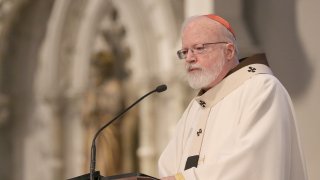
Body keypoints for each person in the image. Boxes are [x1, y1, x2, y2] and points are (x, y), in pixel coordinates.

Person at [158, 14, 308, 180]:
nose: (190, 58)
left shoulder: (261, 89)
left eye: (199, 48)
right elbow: (167, 167)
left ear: (229, 51)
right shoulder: (196, 107)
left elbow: (253, 163)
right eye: (185, 52)